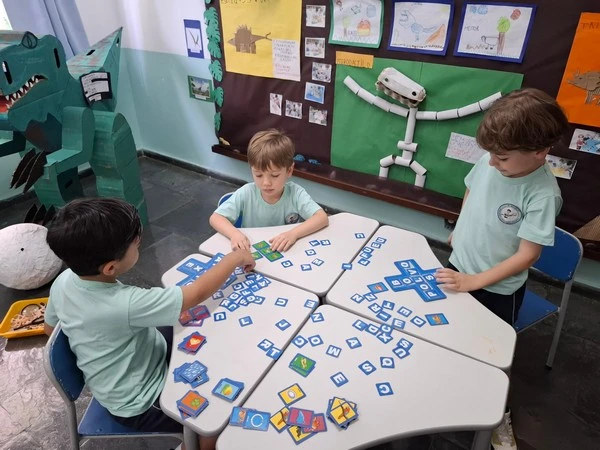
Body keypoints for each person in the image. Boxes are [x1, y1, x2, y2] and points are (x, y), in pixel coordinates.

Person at [43, 197, 255, 450]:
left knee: (195, 328)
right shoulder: (126, 303)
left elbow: (50, 329)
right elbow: (195, 294)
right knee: (213, 425)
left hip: (129, 369)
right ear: (110, 268)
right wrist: (234, 258)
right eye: (136, 244)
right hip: (139, 403)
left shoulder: (65, 280)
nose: (139, 243)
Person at [435, 88, 569, 450]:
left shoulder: (543, 194)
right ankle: (448, 388)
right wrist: (461, 227)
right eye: (491, 154)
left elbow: (527, 256)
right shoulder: (491, 160)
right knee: (450, 332)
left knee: (492, 356)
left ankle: (497, 416)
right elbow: (471, 188)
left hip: (496, 289)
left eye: (503, 158)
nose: (493, 163)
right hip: (460, 268)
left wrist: (475, 281)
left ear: (540, 151)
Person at [209, 129, 329, 251]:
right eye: (258, 175)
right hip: (254, 250)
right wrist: (234, 234)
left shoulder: (296, 193)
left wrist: (293, 234)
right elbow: (216, 218)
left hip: (285, 251)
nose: (266, 183)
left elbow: (321, 217)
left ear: (289, 170)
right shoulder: (246, 193)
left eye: (274, 175)